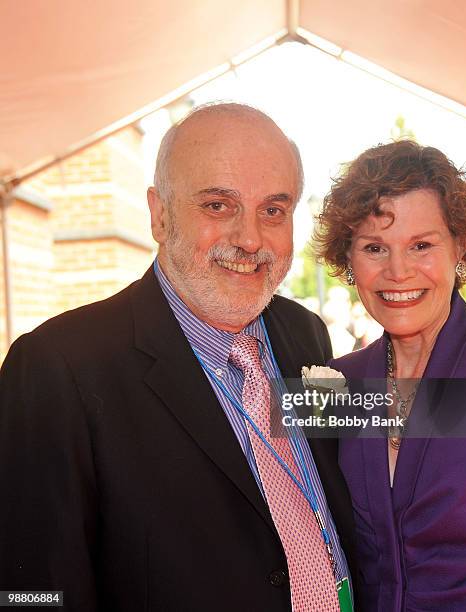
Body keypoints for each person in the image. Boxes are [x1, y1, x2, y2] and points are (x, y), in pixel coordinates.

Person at [0, 104, 357, 611]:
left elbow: (394, 431)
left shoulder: (305, 336)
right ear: (159, 214)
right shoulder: (59, 369)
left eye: (273, 210)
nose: (251, 239)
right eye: (218, 205)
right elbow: (30, 592)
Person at [315, 140, 466, 611]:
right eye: (374, 248)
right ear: (349, 258)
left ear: (460, 247)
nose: (398, 271)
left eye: (422, 245)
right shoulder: (335, 386)